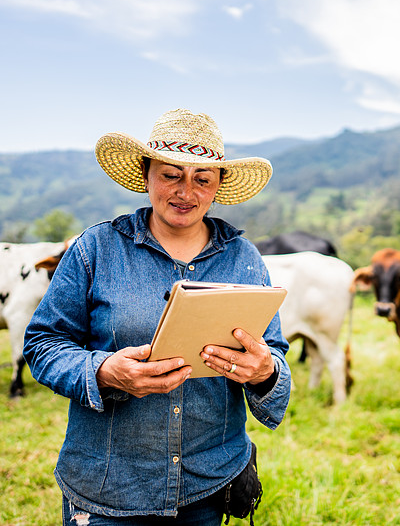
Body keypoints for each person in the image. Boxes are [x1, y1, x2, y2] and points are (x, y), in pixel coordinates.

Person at [23, 109, 291, 525]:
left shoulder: (244, 259)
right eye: (171, 174)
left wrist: (264, 371)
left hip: (208, 485)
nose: (186, 191)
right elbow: (42, 343)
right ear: (146, 174)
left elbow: (273, 355)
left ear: (217, 187)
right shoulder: (96, 249)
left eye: (202, 178)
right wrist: (103, 371)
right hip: (108, 487)